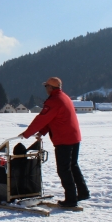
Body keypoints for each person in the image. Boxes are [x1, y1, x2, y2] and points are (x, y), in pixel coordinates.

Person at [19, 77, 89, 207]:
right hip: (74, 137)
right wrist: (43, 132)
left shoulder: (54, 101)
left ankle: (71, 199)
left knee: (64, 170)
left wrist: (26, 133)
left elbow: (42, 119)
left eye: (46, 86)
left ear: (51, 88)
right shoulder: (64, 97)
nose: (45, 88)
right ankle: (83, 192)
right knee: (73, 165)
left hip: (64, 139)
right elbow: (53, 119)